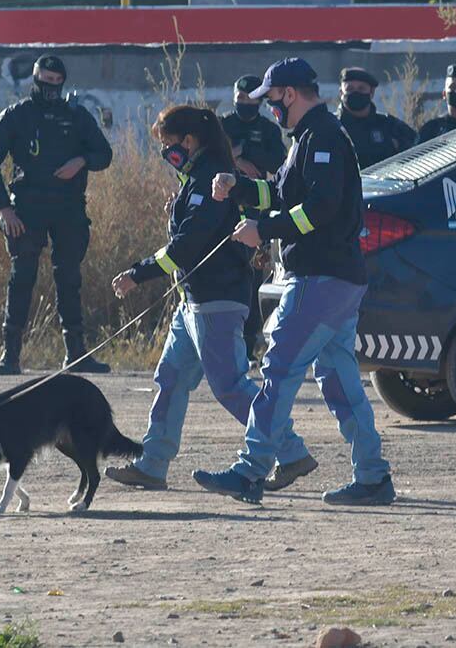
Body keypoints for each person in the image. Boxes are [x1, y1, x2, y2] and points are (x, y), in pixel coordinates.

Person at [193, 57, 395, 507]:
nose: (269, 109)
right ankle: (373, 477)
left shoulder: (321, 137)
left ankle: (250, 471)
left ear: (289, 94)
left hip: (322, 279)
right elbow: (282, 195)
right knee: (339, 378)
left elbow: (319, 210)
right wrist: (240, 187)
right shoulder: (307, 138)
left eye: (272, 100)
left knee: (280, 368)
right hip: (335, 279)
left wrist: (261, 231)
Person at [105, 105, 317, 492]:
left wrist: (138, 275)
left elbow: (186, 246)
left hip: (216, 300)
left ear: (190, 141)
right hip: (193, 302)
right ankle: (152, 464)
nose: (166, 151)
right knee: (171, 377)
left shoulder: (208, 180)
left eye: (169, 143)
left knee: (231, 386)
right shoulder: (196, 179)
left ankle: (291, 452)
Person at [0, 54, 112, 376]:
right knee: (21, 277)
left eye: (57, 82)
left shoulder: (76, 115)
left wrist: (81, 160)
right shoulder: (17, 116)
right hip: (26, 208)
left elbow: (104, 154)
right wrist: (4, 209)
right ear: (35, 80)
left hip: (68, 207)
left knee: (69, 278)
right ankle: (10, 356)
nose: (51, 87)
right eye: (45, 81)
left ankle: (76, 355)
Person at [220, 74, 288, 363]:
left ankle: (248, 347)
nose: (245, 104)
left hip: (257, 209)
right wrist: (235, 161)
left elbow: (278, 164)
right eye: (240, 99)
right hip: (226, 208)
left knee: (252, 277)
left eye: (251, 100)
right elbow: (212, 157)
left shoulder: (268, 130)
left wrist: (245, 152)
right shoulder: (223, 125)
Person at [335, 66, 416, 169]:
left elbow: (418, 155)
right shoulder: (331, 127)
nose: (356, 93)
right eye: (349, 89)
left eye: (361, 88)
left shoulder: (391, 126)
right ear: (341, 93)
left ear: (371, 92)